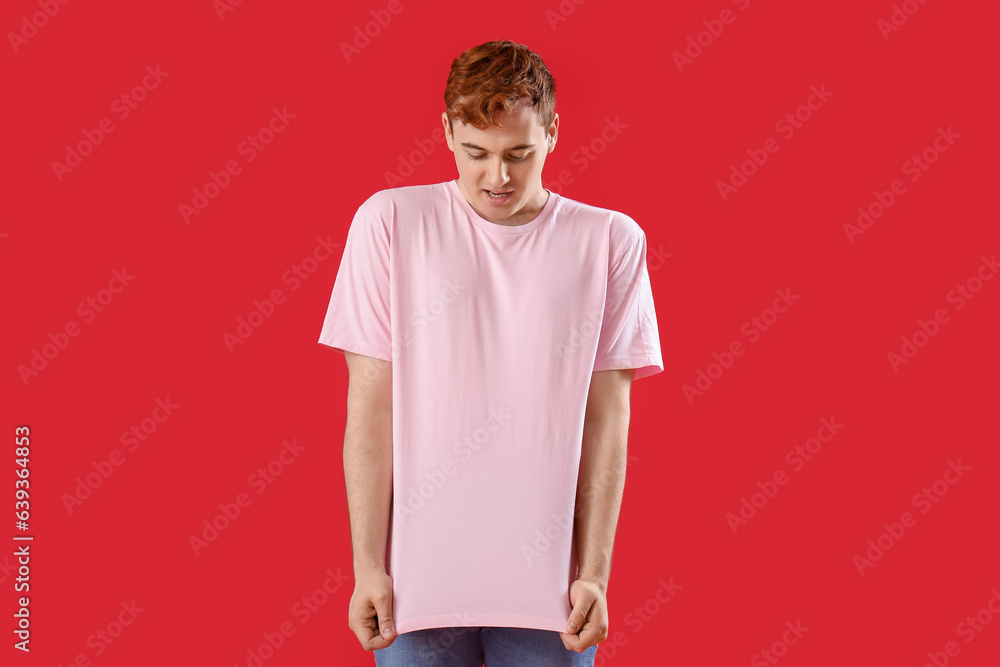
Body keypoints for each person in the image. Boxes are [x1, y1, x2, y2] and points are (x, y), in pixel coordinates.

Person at [317, 39, 664, 666]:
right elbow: (370, 407)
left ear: (554, 133)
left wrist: (595, 574)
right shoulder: (390, 222)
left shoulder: (611, 240)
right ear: (447, 130)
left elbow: (607, 417)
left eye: (518, 154)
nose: (497, 177)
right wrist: (367, 565)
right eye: (476, 153)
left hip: (550, 591)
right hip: (415, 588)